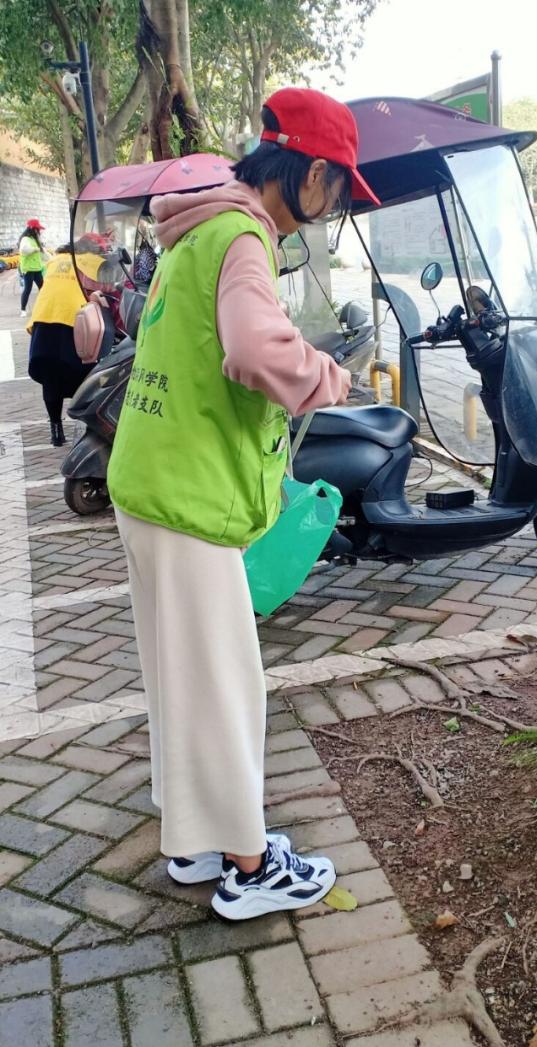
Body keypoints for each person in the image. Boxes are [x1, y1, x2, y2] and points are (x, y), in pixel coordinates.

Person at [106, 86, 378, 922]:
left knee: (182, 677)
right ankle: (249, 865)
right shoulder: (244, 237)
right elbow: (255, 348)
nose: (335, 206)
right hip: (187, 495)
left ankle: (196, 838)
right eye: (338, 187)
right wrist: (329, 377)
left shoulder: (197, 228)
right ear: (310, 174)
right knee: (227, 684)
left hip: (148, 481)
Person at [26, 239, 105, 446]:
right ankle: (90, 425)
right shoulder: (88, 261)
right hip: (73, 321)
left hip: (44, 321)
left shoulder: (55, 260)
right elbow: (102, 291)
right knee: (86, 375)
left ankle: (56, 430)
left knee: (50, 375)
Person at [19, 219, 47, 316]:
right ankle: (23, 310)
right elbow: (23, 250)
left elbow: (43, 253)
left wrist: (53, 259)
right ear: (33, 229)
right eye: (38, 229)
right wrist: (35, 249)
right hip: (28, 269)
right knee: (28, 289)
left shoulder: (35, 240)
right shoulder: (25, 239)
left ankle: (44, 307)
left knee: (43, 288)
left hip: (37, 268)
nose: (39, 231)